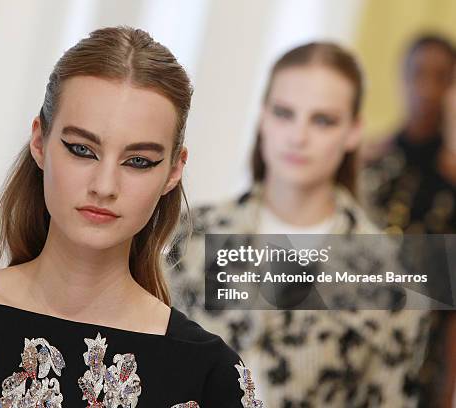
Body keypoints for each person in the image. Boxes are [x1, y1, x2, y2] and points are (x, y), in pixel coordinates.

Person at [0, 26, 262, 407]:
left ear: (173, 170)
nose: (104, 185)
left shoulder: (210, 378)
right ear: (40, 142)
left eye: (138, 161)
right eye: (82, 149)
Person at [164, 42, 430, 407]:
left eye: (323, 120)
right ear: (263, 117)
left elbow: (392, 397)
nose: (298, 136)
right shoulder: (189, 235)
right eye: (284, 113)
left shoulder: (389, 273)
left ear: (353, 131)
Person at [360, 34, 456, 408]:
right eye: (418, 74)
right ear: (403, 76)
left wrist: (447, 393)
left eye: (441, 77)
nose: (427, 89)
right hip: (356, 340)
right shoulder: (369, 168)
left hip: (420, 361)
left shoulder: (450, 187)